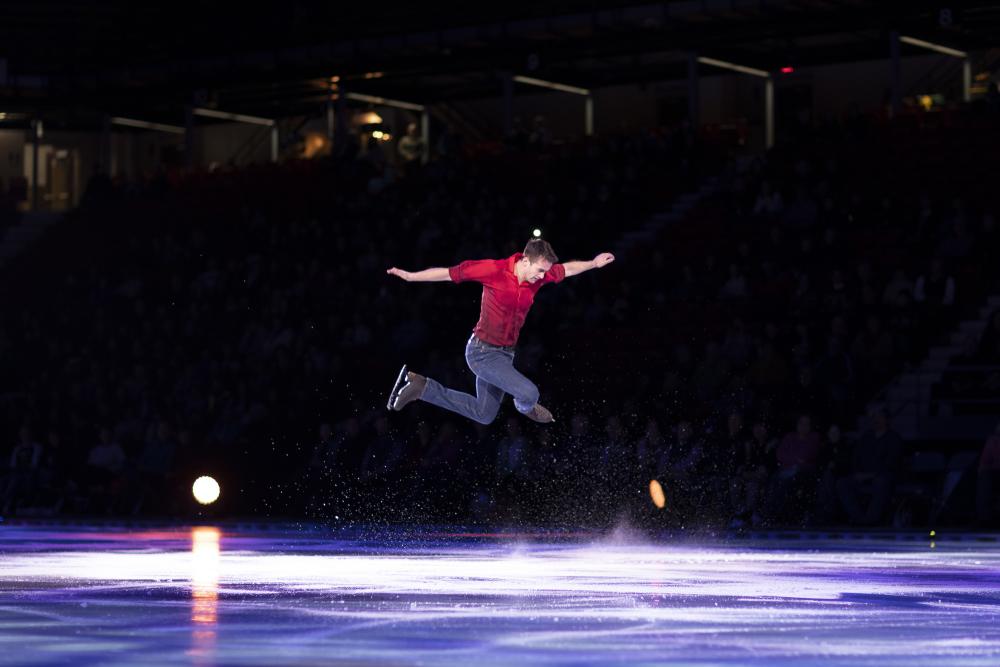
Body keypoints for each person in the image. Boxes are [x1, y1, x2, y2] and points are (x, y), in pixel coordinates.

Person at [385, 238, 615, 424]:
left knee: (484, 414)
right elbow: (449, 273)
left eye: (545, 272)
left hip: (504, 356)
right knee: (530, 394)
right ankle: (525, 406)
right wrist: (410, 276)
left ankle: (421, 388)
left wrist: (593, 263)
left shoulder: (538, 278)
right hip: (482, 354)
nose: (543, 276)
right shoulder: (494, 270)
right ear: (525, 261)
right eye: (539, 270)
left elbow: (565, 269)